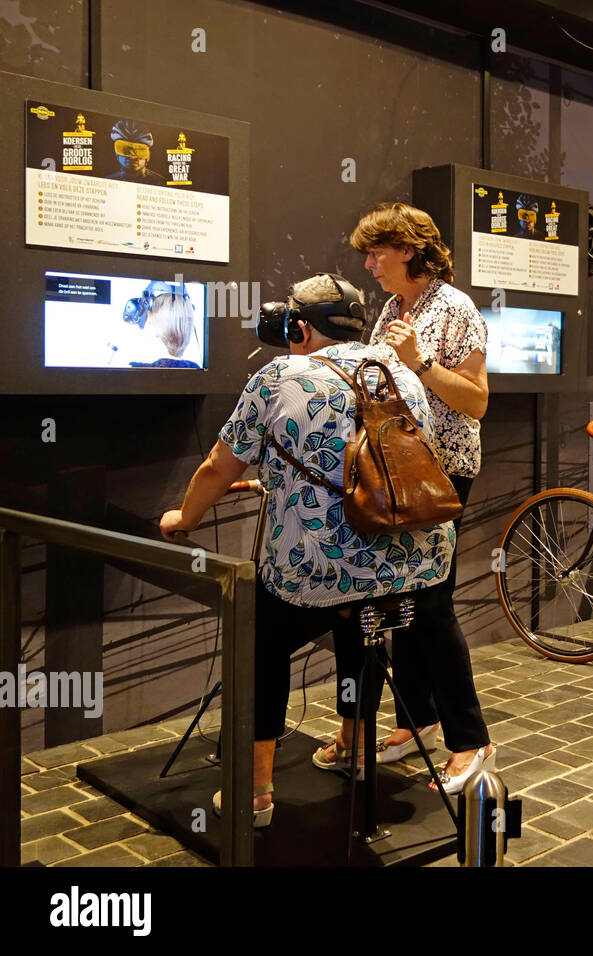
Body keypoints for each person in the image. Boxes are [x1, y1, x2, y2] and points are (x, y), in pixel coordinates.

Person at [160, 273, 456, 826]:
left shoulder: (279, 375)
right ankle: (355, 747)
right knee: (358, 623)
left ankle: (255, 792)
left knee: (261, 643)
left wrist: (184, 517)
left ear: (298, 327)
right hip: (411, 562)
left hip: (314, 570)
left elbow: (218, 467)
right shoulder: (399, 370)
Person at [321, 200, 494, 790]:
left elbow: (476, 402)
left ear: (410, 250)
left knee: (433, 601)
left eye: (377, 252)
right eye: (367, 253)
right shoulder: (391, 311)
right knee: (406, 597)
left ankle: (471, 740)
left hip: (442, 474)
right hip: (395, 470)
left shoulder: (456, 310)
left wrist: (419, 364)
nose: (368, 263)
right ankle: (415, 721)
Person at [106, 120, 167, 186]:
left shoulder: (160, 183)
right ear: (117, 155)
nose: (132, 157)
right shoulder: (108, 181)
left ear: (148, 156)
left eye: (139, 150)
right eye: (126, 150)